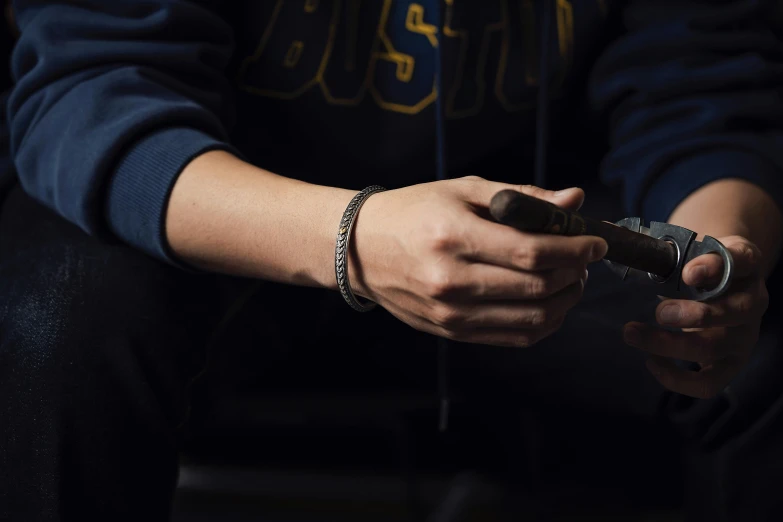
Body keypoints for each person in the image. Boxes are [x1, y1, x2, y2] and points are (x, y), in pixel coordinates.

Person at [1, 0, 782, 520]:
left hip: (520, 236)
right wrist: (355, 239)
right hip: (219, 213)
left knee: (759, 358)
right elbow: (93, 97)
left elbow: (701, 87)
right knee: (53, 333)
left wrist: (717, 256)